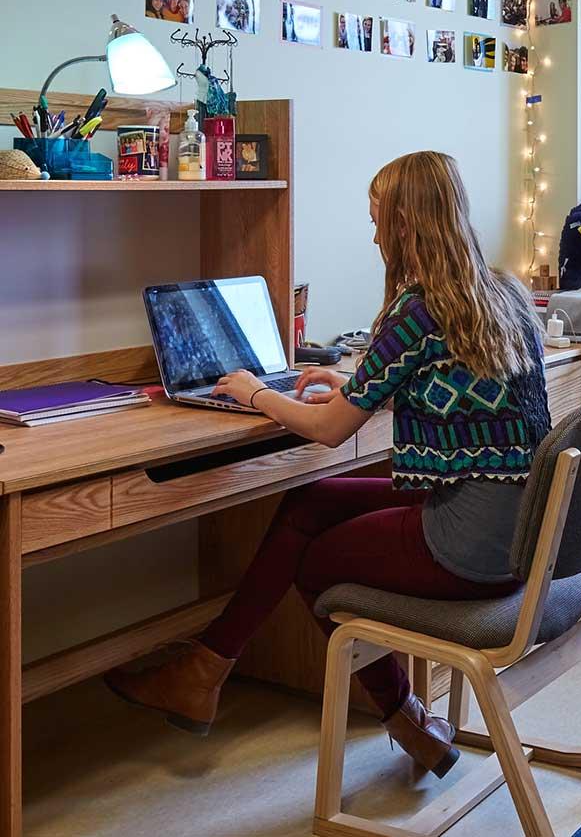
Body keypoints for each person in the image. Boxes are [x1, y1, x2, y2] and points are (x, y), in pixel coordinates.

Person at [104, 153, 552, 779]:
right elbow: (462, 388)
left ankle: (399, 716)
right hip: (522, 534)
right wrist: (349, 381)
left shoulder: (416, 312)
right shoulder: (498, 292)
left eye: (377, 221)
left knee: (315, 563)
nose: (373, 236)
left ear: (404, 223)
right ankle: (204, 671)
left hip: (470, 545)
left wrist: (254, 392)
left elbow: (329, 432)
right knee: (309, 505)